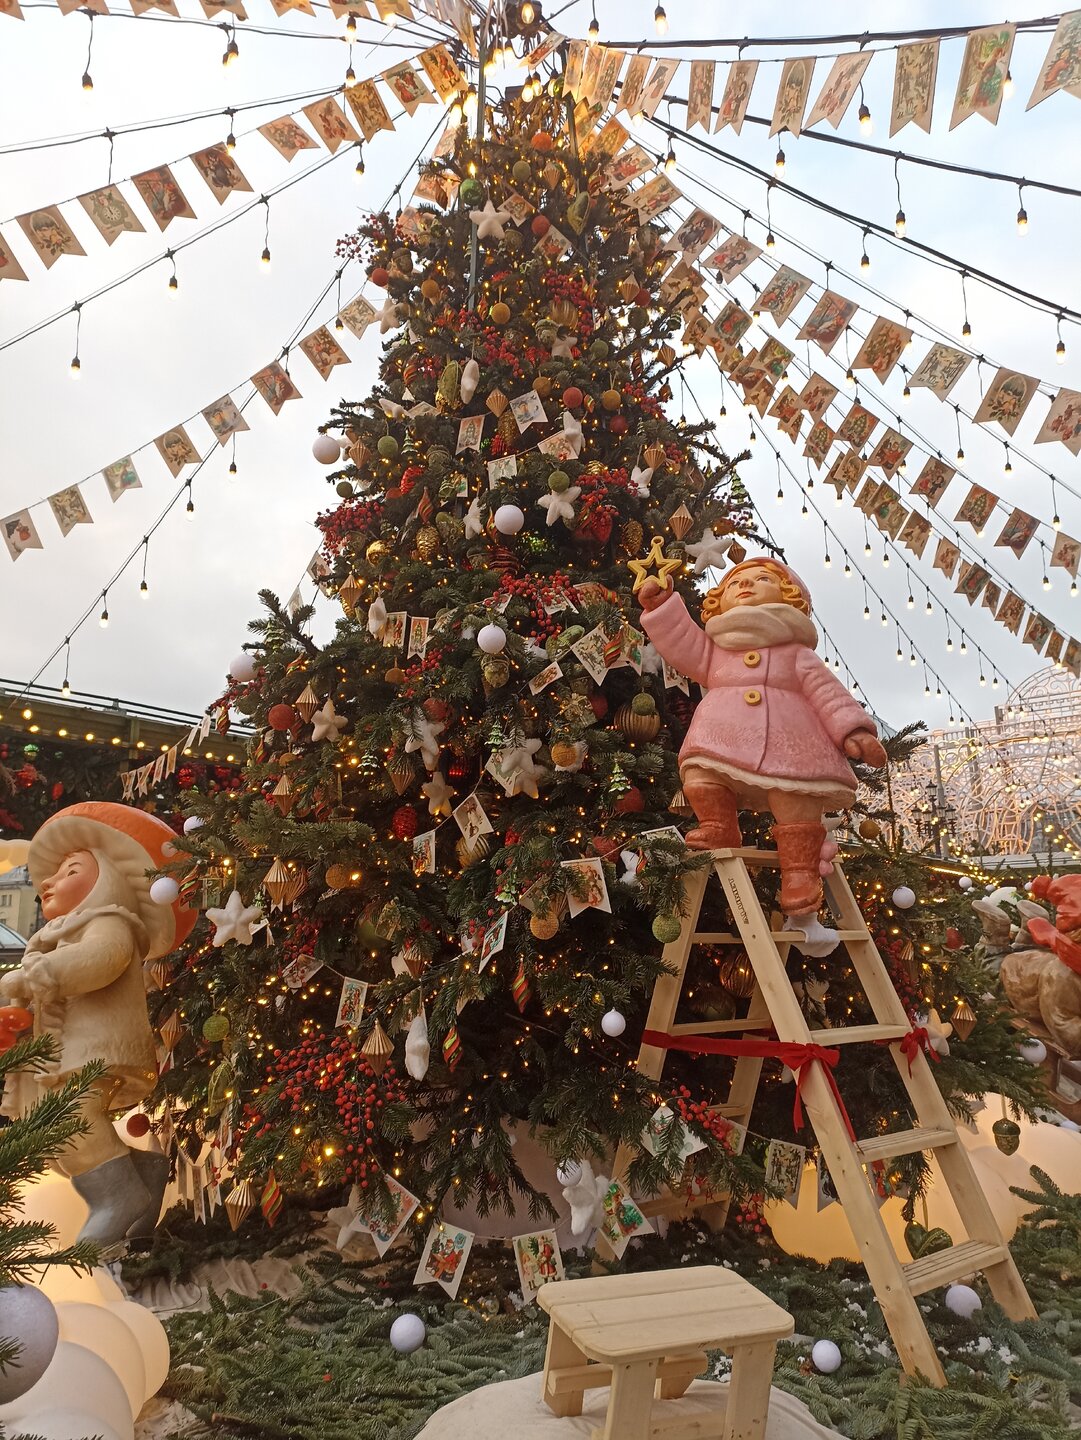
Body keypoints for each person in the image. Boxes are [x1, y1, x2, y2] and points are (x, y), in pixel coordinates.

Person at [638, 559, 886, 915]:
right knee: (701, 775)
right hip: (721, 737)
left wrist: (853, 730)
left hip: (791, 742)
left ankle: (799, 872)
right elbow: (682, 642)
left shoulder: (797, 654)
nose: (745, 585)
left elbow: (827, 692)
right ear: (719, 600)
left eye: (763, 579)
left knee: (795, 796)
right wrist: (661, 607)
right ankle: (718, 825)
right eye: (735, 582)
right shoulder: (715, 649)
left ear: (790, 597)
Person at [0, 802, 195, 1246]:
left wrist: (40, 975)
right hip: (59, 1054)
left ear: (108, 879)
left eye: (70, 870)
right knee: (53, 1132)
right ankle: (143, 1175)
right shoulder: (51, 938)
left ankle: (117, 1197)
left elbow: (100, 960)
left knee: (72, 1121)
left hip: (91, 1048)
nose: (48, 881)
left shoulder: (110, 921)